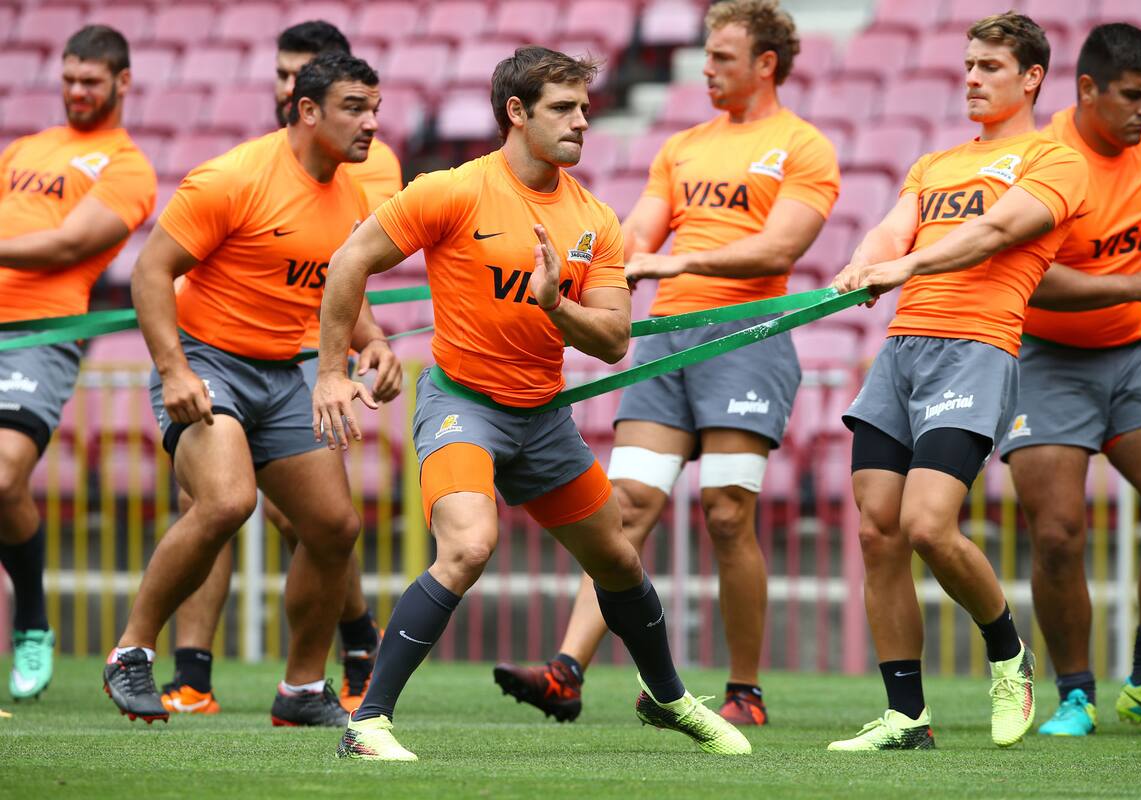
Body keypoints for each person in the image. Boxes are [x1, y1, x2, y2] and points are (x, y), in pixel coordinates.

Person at [313, 46, 751, 761]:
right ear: (516, 113)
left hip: (543, 420)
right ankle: (369, 722)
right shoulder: (452, 190)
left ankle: (669, 698)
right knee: (468, 545)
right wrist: (332, 372)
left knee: (618, 562)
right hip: (464, 406)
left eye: (584, 108)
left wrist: (557, 307)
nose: (582, 121)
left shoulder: (595, 220)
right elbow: (349, 259)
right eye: (564, 109)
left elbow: (611, 339)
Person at [494, 0, 839, 728]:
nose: (706, 68)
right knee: (623, 510)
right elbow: (634, 235)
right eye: (707, 55)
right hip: (665, 338)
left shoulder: (804, 146)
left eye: (722, 57)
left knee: (727, 512)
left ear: (765, 64)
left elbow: (780, 251)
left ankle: (745, 691)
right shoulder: (681, 147)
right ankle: (565, 673)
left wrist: (668, 259)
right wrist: (580, 275)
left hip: (746, 337)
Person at [103, 52, 398, 727]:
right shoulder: (233, 177)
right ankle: (130, 652)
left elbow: (342, 292)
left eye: (376, 108)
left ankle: (298, 691)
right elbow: (150, 273)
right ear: (306, 110)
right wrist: (175, 370)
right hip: (210, 362)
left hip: (285, 371)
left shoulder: (349, 192)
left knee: (333, 527)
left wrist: (373, 341)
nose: (372, 123)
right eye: (356, 107)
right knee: (228, 500)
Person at [828, 13, 1090, 750]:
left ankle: (1010, 653)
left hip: (977, 351)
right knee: (879, 530)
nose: (971, 78)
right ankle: (907, 717)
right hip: (903, 350)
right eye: (969, 64)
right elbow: (892, 229)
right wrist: (863, 262)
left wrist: (903, 266)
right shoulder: (935, 163)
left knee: (926, 524)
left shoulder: (1055, 159)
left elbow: (997, 233)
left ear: (1032, 77)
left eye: (990, 67)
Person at [999, 23, 1141, 737]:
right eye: (1131, 96)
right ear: (1086, 89)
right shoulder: (1046, 159)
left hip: (1134, 356)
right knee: (1056, 534)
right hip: (1045, 359)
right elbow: (1036, 281)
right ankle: (1075, 694)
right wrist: (1140, 281)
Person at [0, 25, 155, 702]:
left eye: (90, 81)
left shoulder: (128, 167)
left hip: (41, 330)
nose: (76, 92)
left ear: (122, 82)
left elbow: (68, 246)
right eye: (67, 78)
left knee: (4, 475)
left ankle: (31, 620)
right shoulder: (28, 147)